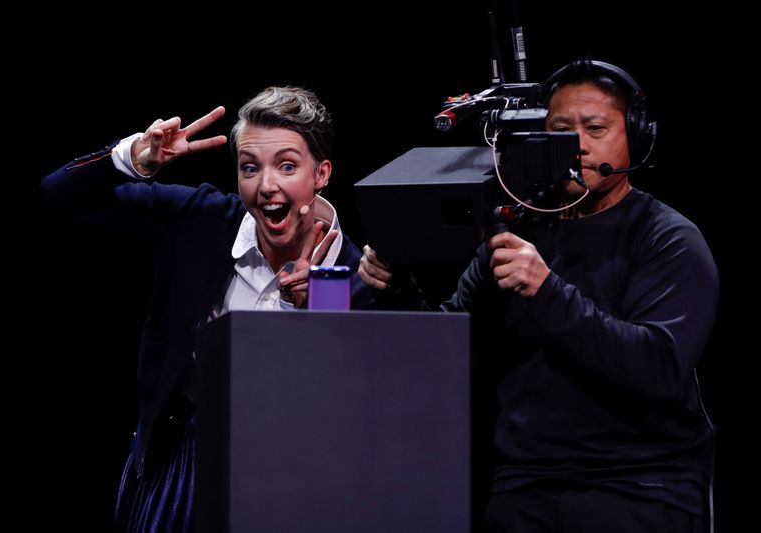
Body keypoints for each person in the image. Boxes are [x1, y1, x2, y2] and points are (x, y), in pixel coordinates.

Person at [359, 59, 718, 532]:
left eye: (595, 128)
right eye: (560, 129)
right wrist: (398, 289)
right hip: (524, 488)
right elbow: (444, 359)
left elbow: (659, 368)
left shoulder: (667, 237)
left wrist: (546, 290)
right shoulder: (519, 232)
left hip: (639, 488)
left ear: (635, 135)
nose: (577, 145)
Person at [41, 86, 376, 532]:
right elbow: (60, 196)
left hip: (300, 480)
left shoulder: (357, 271)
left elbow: (371, 401)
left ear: (322, 174)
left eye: (288, 166)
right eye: (250, 168)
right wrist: (133, 160)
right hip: (182, 467)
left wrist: (314, 308)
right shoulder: (201, 219)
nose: (267, 186)